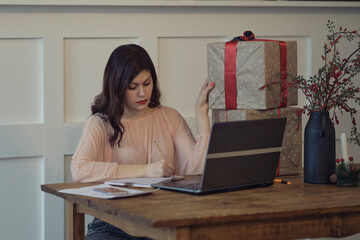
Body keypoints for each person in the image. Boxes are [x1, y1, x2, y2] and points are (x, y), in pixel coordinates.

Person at [71, 44, 214, 240]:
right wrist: (145, 170)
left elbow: (196, 171)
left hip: (161, 221)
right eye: (133, 87)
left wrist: (201, 115)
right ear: (116, 86)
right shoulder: (99, 123)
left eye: (147, 84)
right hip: (111, 225)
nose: (142, 93)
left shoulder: (169, 117)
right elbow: (80, 169)